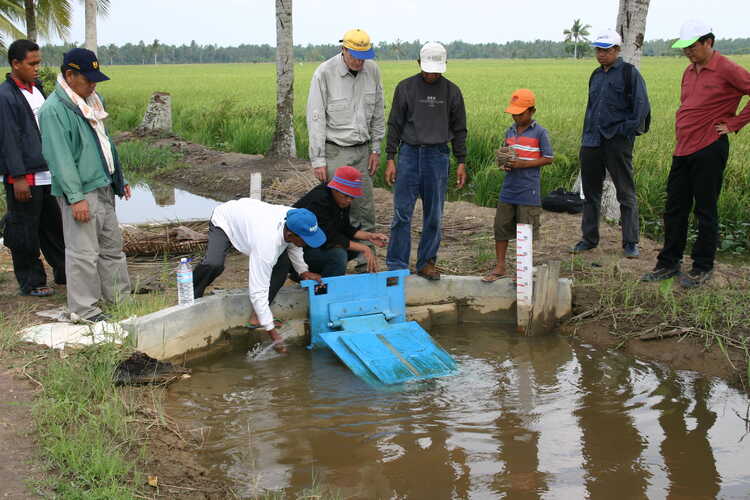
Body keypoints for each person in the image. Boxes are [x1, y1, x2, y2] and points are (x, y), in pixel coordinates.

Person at [642, 20, 750, 287]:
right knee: (674, 208)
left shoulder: (727, 68)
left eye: (692, 46)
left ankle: (703, 266)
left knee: (705, 209)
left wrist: (734, 123)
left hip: (709, 148)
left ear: (708, 42)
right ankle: (668, 263)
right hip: (683, 148)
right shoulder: (689, 71)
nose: (688, 51)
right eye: (684, 48)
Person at [39, 48, 130, 322]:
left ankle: (118, 301)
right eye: (88, 79)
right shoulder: (53, 110)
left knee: (112, 250)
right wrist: (75, 197)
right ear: (69, 75)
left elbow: (105, 143)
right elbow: (60, 159)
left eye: (95, 79)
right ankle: (85, 310)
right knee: (83, 253)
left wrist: (119, 179)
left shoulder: (92, 101)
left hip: (103, 185)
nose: (93, 84)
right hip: (81, 191)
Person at [192, 200, 325, 352]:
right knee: (214, 264)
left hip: (252, 219)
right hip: (226, 220)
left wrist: (303, 271)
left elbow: (294, 245)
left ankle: (258, 316)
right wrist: (274, 335)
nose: (308, 244)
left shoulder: (296, 219)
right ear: (290, 234)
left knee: (281, 269)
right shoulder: (266, 245)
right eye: (306, 240)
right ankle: (191, 293)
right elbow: (257, 291)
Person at [385, 42, 467, 280]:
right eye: (428, 68)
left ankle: (426, 262)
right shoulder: (405, 88)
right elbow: (394, 125)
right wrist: (391, 157)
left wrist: (461, 160)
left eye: (437, 69)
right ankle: (397, 265)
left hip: (438, 157)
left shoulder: (452, 92)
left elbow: (460, 129)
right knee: (402, 213)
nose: (432, 74)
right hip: (409, 154)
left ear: (444, 66)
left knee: (434, 215)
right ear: (419, 63)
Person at [306, 28, 385, 270]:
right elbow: (316, 118)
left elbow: (379, 111)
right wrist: (318, 159)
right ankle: (337, 257)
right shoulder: (324, 73)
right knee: (339, 207)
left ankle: (366, 261)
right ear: (344, 50)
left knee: (364, 206)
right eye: (355, 56)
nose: (360, 61)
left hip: (363, 151)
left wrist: (376, 148)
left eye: (364, 56)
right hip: (335, 151)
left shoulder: (372, 70)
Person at [572, 28, 651, 259]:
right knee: (590, 193)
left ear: (617, 50)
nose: (601, 54)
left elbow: (641, 109)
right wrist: (586, 135)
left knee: (625, 192)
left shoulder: (629, 73)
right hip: (591, 140)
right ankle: (589, 239)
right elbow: (591, 109)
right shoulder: (595, 75)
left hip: (617, 142)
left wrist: (622, 133)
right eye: (598, 50)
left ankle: (630, 242)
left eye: (605, 50)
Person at [0, 39, 65, 297]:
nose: (37, 68)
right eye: (32, 63)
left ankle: (64, 271)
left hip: (47, 171)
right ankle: (32, 281)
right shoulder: (5, 96)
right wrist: (17, 177)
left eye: (39, 62)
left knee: (53, 226)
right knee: (24, 230)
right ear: (16, 64)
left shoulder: (37, 88)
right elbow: (8, 139)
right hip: (24, 176)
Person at [482, 89, 554, 282]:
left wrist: (523, 164)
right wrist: (505, 163)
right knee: (501, 226)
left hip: (528, 190)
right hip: (509, 188)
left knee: (525, 229)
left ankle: (523, 269)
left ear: (532, 111)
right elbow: (507, 151)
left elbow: (548, 158)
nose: (516, 117)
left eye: (520, 113)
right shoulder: (510, 131)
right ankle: (500, 266)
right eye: (514, 113)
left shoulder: (540, 132)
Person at [291, 166, 388, 276]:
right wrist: (365, 248)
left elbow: (344, 228)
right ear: (334, 189)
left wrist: (369, 236)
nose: (349, 200)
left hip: (315, 244)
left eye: (352, 197)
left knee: (353, 249)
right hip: (296, 249)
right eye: (346, 196)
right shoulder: (320, 199)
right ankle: (324, 288)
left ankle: (322, 277)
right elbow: (329, 236)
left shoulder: (341, 200)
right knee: (338, 255)